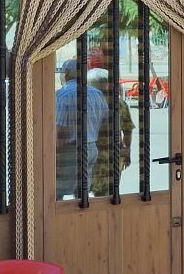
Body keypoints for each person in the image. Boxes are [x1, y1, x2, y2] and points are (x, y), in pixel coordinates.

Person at [54, 58, 109, 199]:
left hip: (71, 150)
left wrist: (55, 158)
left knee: (56, 193)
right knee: (81, 193)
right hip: (91, 148)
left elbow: (60, 131)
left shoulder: (62, 95)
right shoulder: (96, 94)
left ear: (66, 74)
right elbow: (106, 123)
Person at [88, 68, 135, 197]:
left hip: (100, 156)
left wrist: (127, 150)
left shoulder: (118, 104)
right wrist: (127, 149)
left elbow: (127, 129)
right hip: (103, 156)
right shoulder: (119, 104)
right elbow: (128, 129)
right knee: (106, 196)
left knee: (97, 196)